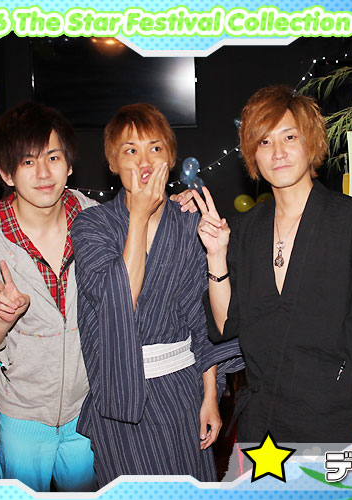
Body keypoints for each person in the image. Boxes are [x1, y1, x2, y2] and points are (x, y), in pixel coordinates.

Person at [190, 85, 352, 443]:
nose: (277, 152)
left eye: (289, 137)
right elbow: (225, 324)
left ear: (311, 142)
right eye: (264, 142)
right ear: (253, 154)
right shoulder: (245, 229)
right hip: (263, 425)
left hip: (335, 420)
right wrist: (216, 255)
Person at [70, 103, 241, 486]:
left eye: (155, 148)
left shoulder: (190, 224)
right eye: (130, 150)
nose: (144, 160)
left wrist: (210, 395)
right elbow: (118, 299)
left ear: (171, 157)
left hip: (181, 393)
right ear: (112, 162)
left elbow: (202, 319)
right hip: (121, 400)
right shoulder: (91, 225)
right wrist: (138, 216)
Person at [0, 102, 97, 491]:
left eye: (53, 157)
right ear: (6, 173)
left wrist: (172, 206)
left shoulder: (97, 222)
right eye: (28, 161)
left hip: (88, 408)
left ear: (69, 163)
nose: (43, 173)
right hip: (22, 415)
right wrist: (2, 318)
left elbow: (143, 227)